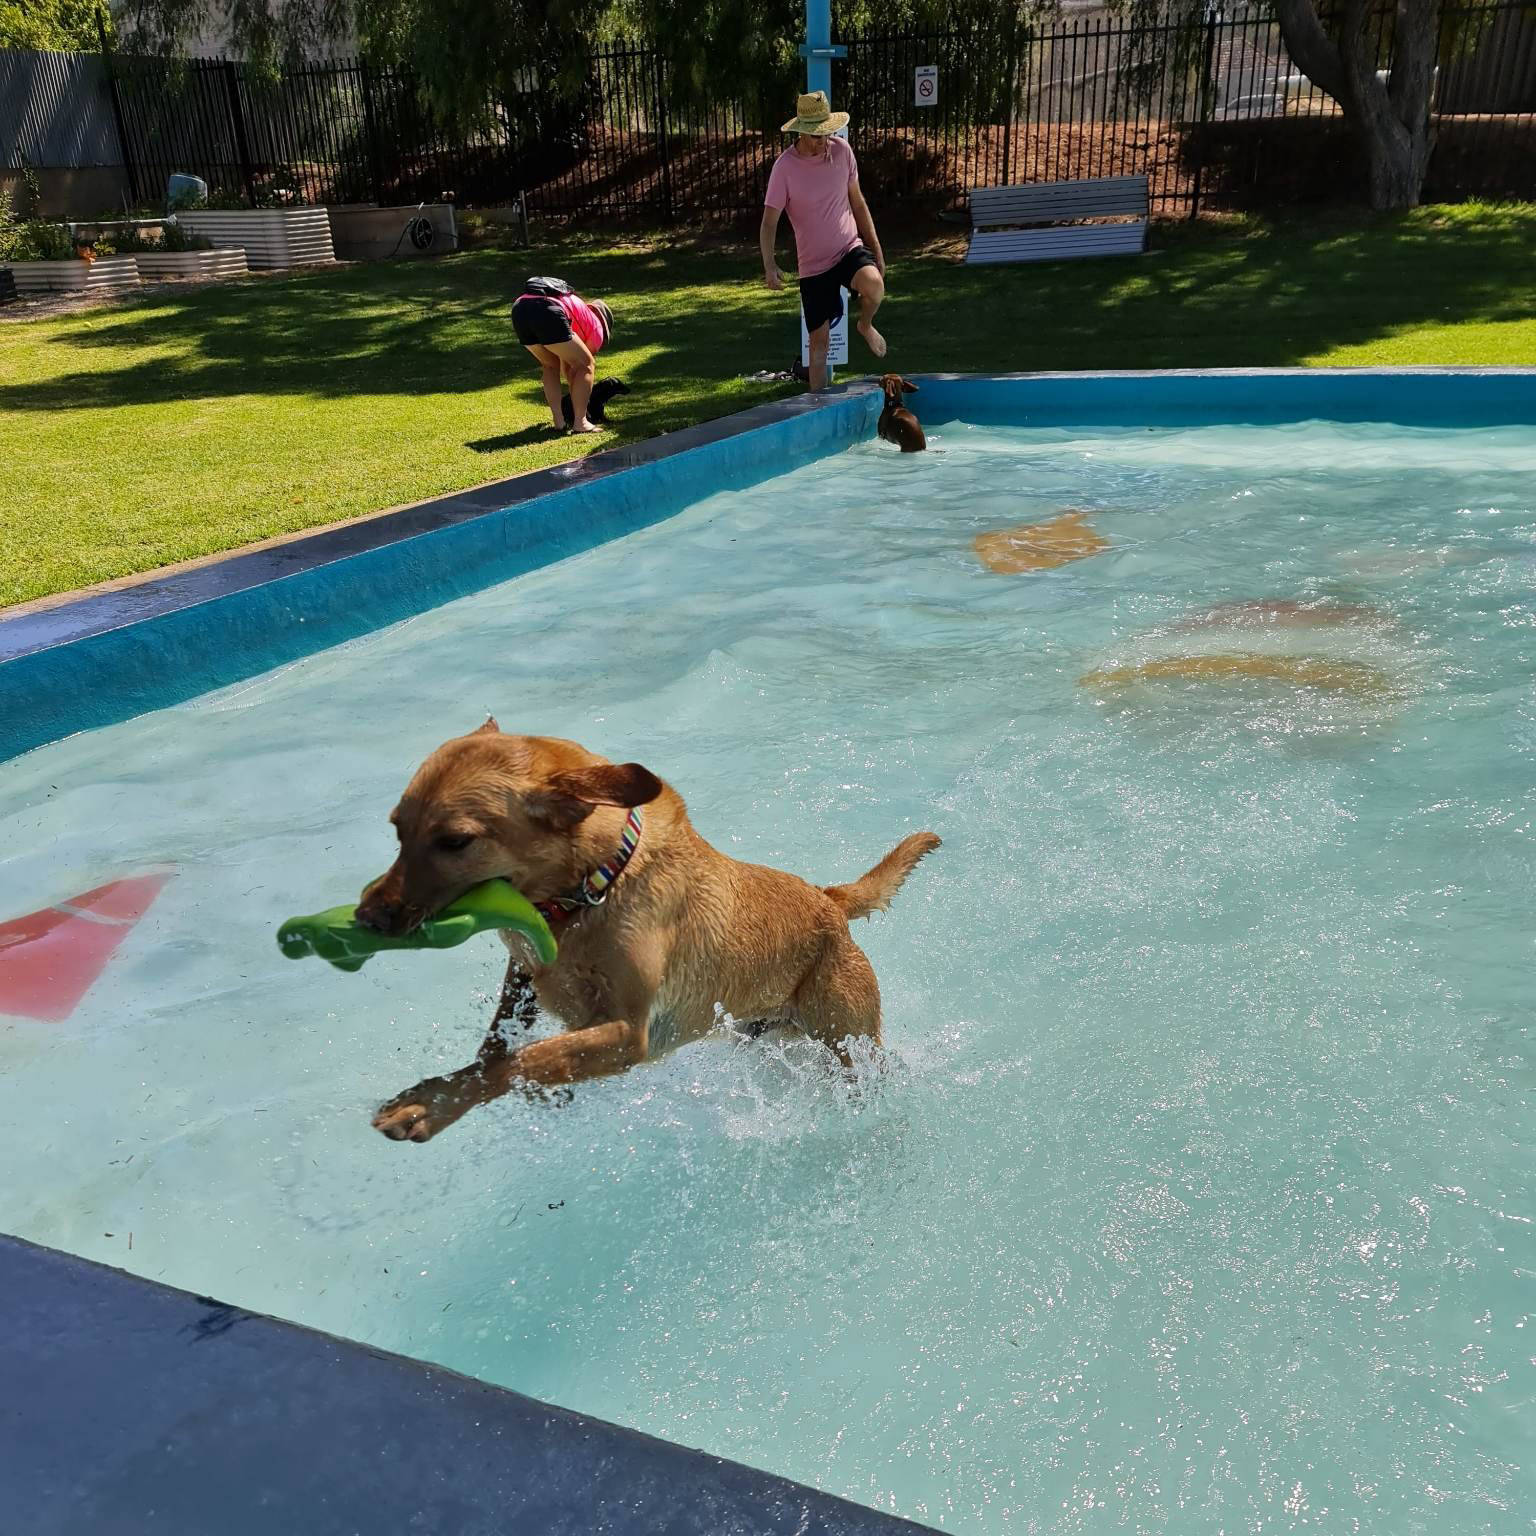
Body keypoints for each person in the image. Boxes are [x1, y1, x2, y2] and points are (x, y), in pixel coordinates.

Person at [760, 91, 887, 392]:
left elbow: (858, 204)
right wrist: (769, 265)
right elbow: (768, 222)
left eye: (826, 132)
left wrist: (877, 251)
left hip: (847, 249)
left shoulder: (842, 152)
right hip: (813, 266)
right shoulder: (785, 168)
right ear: (801, 130)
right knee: (818, 346)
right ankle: (817, 409)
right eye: (816, 135)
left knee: (875, 285)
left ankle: (865, 325)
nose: (823, 140)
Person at [511, 277, 614, 434]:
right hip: (547, 308)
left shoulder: (577, 311)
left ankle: (559, 422)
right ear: (604, 320)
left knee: (550, 365)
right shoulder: (596, 326)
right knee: (587, 364)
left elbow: (567, 365)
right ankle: (581, 422)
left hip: (520, 308)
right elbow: (580, 368)